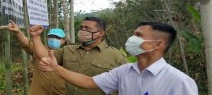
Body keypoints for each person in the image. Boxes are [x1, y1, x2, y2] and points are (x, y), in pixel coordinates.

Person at [39, 22, 199, 95]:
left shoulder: (179, 82)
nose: (132, 38)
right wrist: (56, 68)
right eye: (133, 34)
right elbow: (89, 82)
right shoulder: (124, 71)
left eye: (139, 35)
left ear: (158, 44)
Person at [29, 16, 128, 95]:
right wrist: (36, 36)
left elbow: (128, 84)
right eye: (81, 28)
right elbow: (45, 57)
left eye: (87, 28)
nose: (83, 30)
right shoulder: (68, 50)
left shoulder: (116, 56)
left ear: (101, 33)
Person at [8, 20, 66, 95]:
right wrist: (18, 32)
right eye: (51, 37)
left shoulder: (68, 56)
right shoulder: (38, 52)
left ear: (63, 41)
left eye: (57, 37)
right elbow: (26, 44)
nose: (54, 39)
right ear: (47, 38)